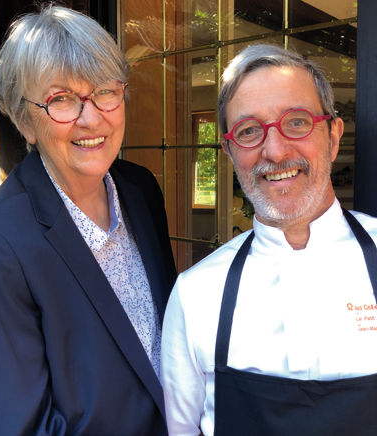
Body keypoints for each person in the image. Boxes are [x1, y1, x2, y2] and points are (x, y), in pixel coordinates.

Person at [0, 4, 177, 435]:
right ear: (24, 119)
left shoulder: (140, 190)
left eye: (104, 90)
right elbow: (19, 426)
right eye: (61, 99)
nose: (91, 118)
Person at [161, 44, 377, 436]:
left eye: (296, 122)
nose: (275, 151)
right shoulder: (196, 295)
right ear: (229, 152)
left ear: (332, 136)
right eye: (248, 131)